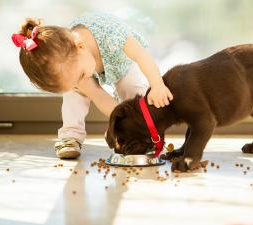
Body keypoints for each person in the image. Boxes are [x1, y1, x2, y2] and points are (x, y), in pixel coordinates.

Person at [12, 12, 173, 159]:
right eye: (73, 81)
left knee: (133, 89)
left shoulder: (112, 36)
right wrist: (117, 125)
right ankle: (70, 136)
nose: (80, 82)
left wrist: (157, 84)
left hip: (121, 61)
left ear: (80, 46)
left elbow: (141, 55)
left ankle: (146, 136)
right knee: (74, 95)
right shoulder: (75, 65)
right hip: (85, 63)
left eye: (80, 76)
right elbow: (99, 96)